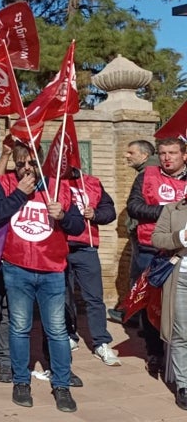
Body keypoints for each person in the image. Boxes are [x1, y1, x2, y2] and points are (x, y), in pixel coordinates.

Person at [0, 142, 84, 413]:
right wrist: (19, 195)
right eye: (20, 164)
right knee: (19, 328)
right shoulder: (5, 184)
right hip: (17, 268)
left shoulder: (59, 186)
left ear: (42, 163)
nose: (26, 168)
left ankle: (62, 385)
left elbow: (77, 226)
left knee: (56, 330)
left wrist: (63, 216)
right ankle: (21, 382)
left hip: (52, 269)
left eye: (31, 163)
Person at [127, 137, 187, 374]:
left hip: (182, 252)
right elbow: (134, 206)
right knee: (151, 304)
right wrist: (169, 210)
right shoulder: (146, 176)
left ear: (184, 155)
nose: (166, 158)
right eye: (162, 153)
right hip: (151, 249)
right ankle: (155, 352)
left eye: (172, 153)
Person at [62, 168, 120, 366]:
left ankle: (101, 342)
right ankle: (69, 335)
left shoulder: (92, 182)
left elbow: (109, 211)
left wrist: (95, 214)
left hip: (87, 247)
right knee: (64, 296)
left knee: (94, 298)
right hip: (60, 246)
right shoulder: (53, 182)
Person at [112, 140, 159, 322]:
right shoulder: (148, 171)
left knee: (142, 277)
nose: (126, 156)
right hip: (144, 234)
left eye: (131, 152)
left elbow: (141, 205)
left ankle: (137, 317)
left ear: (145, 155)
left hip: (146, 236)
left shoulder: (149, 173)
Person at [149, 197, 187, 410]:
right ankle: (184, 385)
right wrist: (181, 236)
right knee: (182, 332)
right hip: (181, 277)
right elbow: (157, 238)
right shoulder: (173, 209)